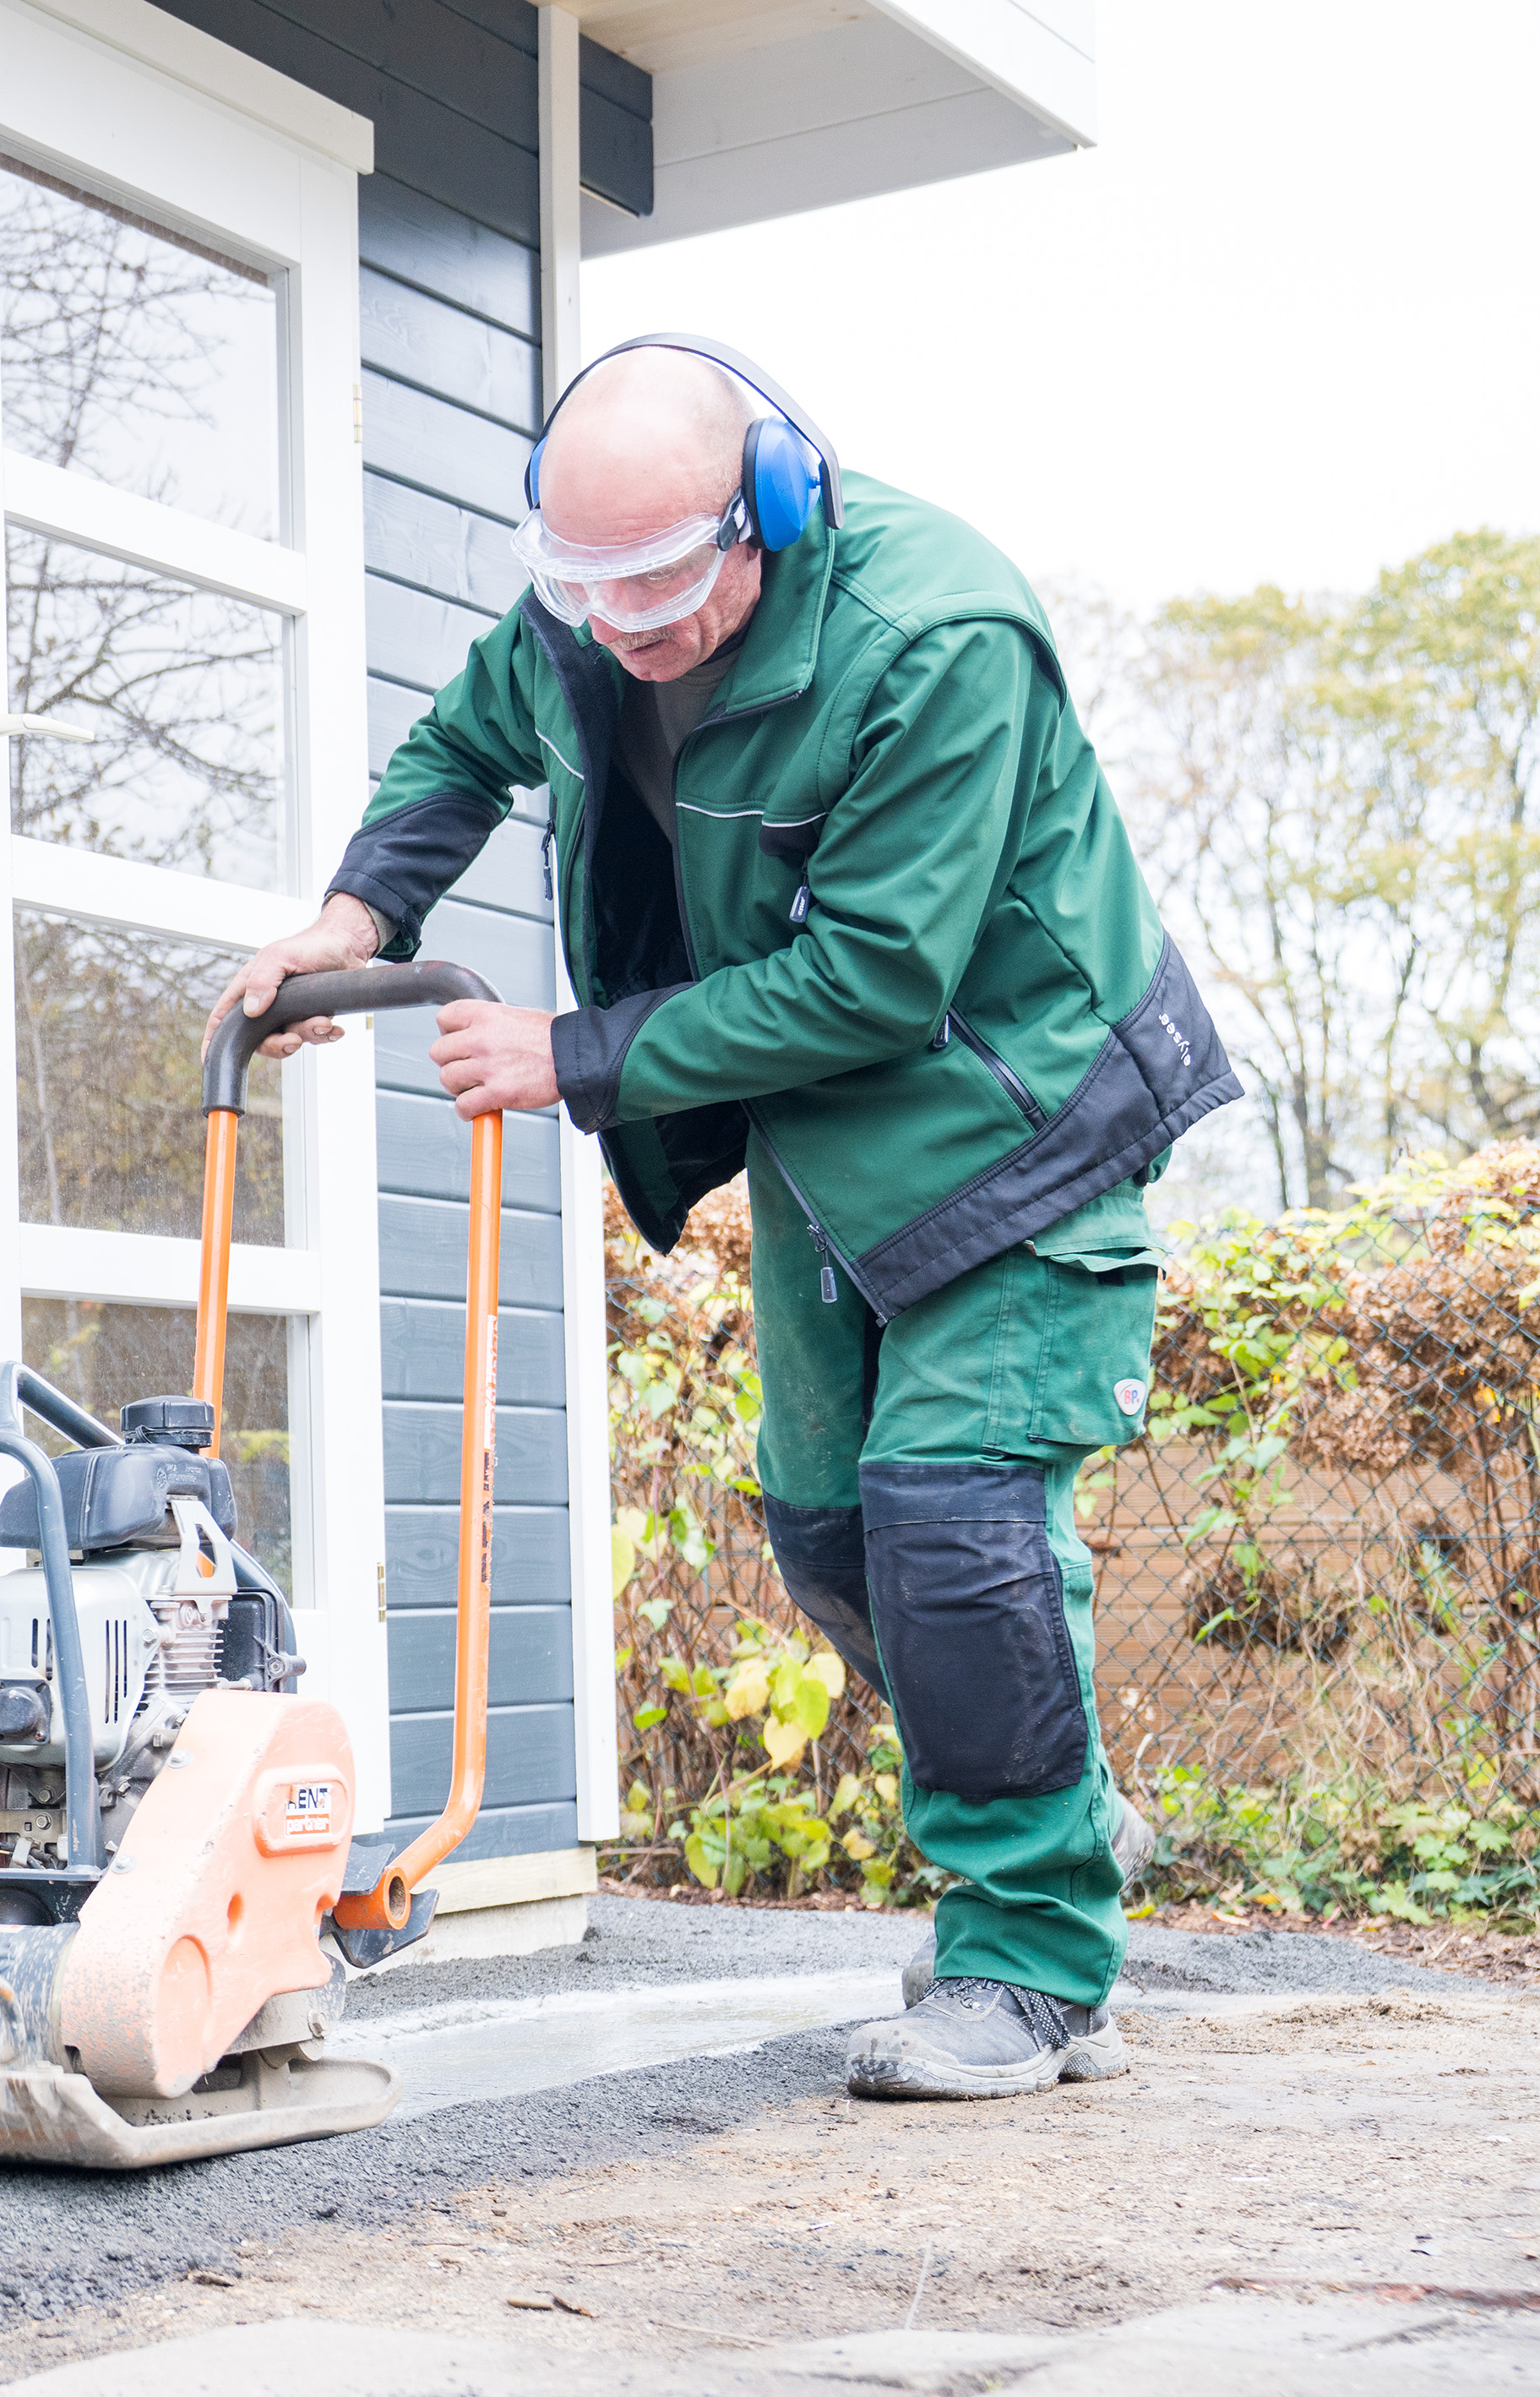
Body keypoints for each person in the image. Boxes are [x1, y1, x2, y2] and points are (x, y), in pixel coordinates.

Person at [215, 337, 1238, 2100]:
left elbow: (877, 975)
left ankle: (1028, 1969)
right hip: (833, 1144)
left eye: (665, 583)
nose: (623, 627)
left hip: (1022, 1108)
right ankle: (1057, 1814)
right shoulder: (590, 620)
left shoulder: (936, 640)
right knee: (831, 1534)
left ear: (765, 510)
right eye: (581, 584)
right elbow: (468, 738)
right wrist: (354, 916)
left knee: (955, 1522)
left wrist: (574, 1053)